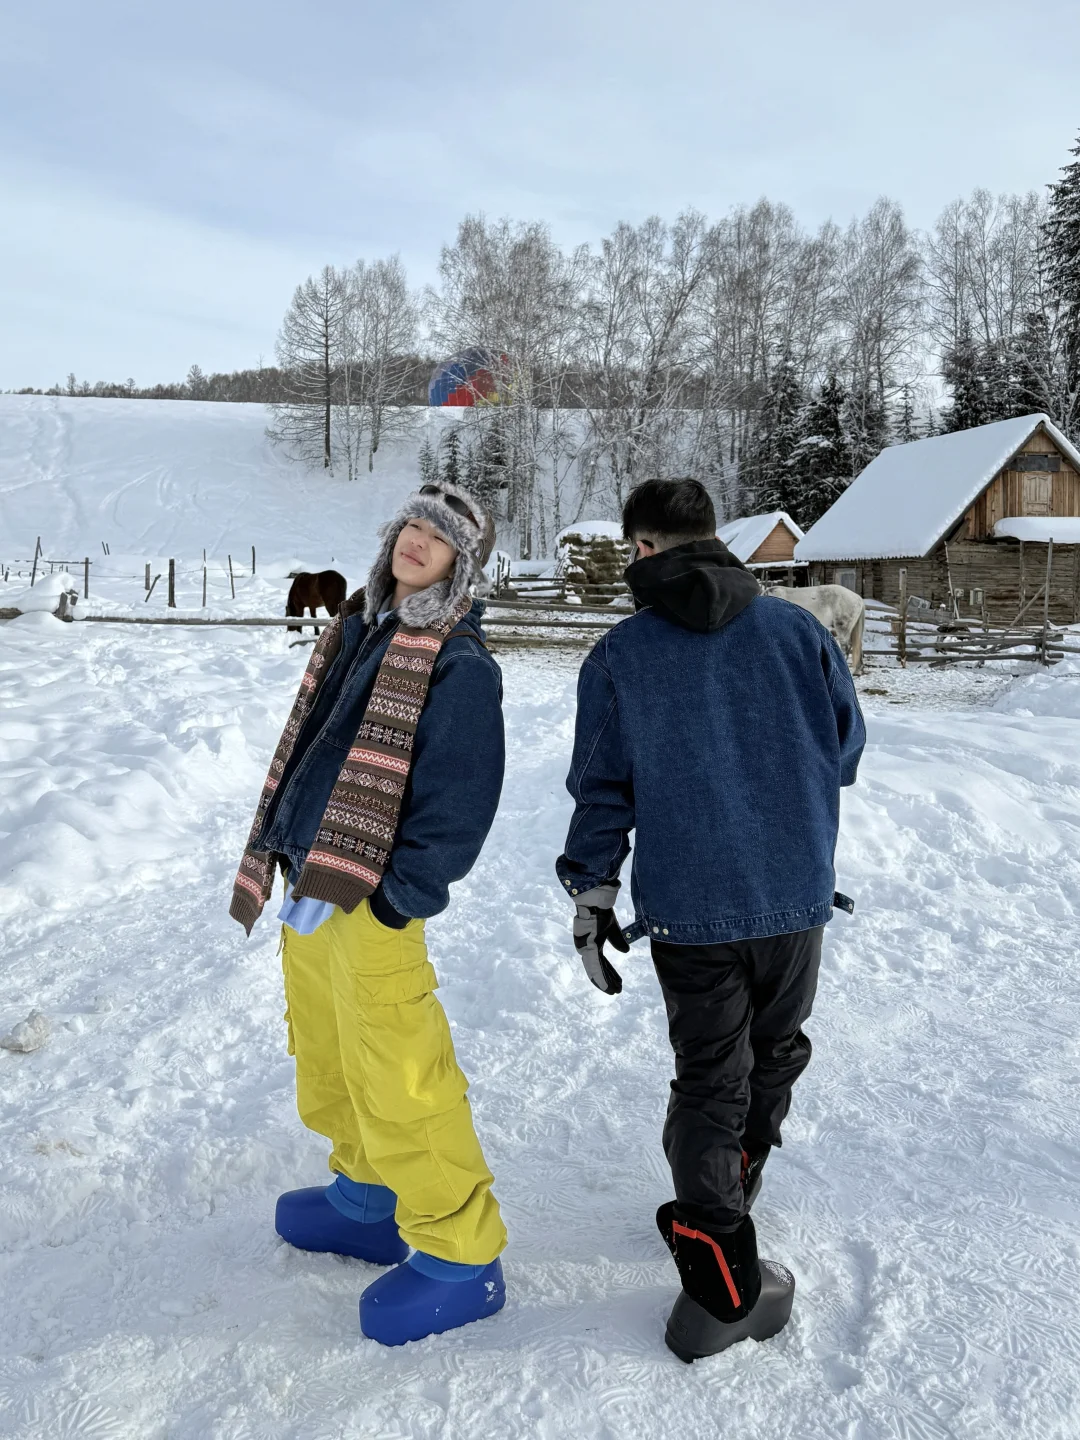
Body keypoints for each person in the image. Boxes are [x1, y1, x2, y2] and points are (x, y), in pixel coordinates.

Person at [556, 478, 865, 1362]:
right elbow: (844, 750)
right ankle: (727, 1234)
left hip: (692, 907)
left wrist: (591, 893)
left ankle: (717, 1256)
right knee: (774, 1053)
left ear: (644, 548)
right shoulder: (799, 630)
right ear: (715, 537)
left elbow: (602, 788)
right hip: (794, 890)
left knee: (709, 1076)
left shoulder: (621, 653)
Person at [230, 480, 508, 1347]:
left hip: (372, 895)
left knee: (399, 1069)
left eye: (443, 533)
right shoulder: (359, 627)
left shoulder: (458, 658)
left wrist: (398, 901)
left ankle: (463, 1252)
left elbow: (460, 801)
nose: (420, 537)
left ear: (464, 561)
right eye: (413, 523)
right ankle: (368, 1199)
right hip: (312, 878)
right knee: (329, 1050)